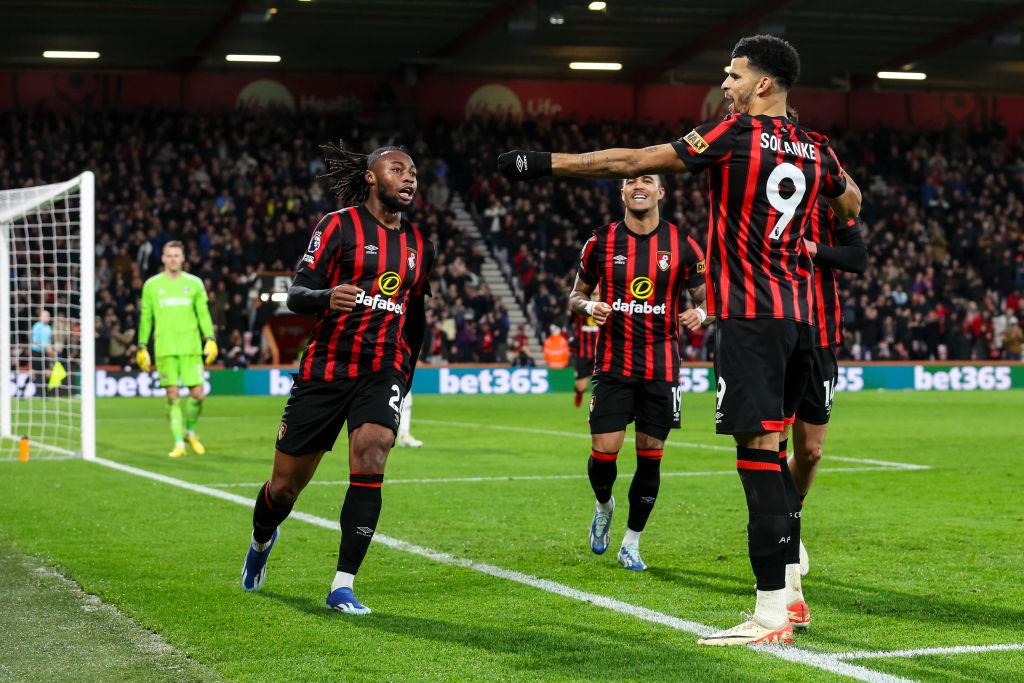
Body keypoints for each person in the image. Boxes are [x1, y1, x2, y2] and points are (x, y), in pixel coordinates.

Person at [499, 34, 862, 645]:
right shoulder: (818, 147)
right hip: (803, 320)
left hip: (751, 319)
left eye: (734, 74)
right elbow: (851, 201)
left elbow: (631, 161)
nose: (725, 84)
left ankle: (769, 613)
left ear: (763, 84)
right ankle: (792, 595)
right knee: (775, 453)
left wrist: (541, 163)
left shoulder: (733, 134)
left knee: (757, 458)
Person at [240, 142, 434, 615]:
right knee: (284, 488)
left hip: (382, 369)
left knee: (374, 450)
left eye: (413, 171)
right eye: (397, 169)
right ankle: (262, 539)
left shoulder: (419, 245)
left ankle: (343, 585)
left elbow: (416, 317)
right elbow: (297, 294)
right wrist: (327, 296)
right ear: (371, 177)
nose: (409, 177)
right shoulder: (338, 225)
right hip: (326, 370)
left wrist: (404, 374)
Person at [570, 174, 707, 572]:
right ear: (623, 192)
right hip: (613, 364)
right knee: (603, 455)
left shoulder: (683, 245)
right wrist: (588, 307)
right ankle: (603, 505)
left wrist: (700, 313)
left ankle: (631, 542)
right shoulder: (600, 242)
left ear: (660, 192)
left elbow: (709, 299)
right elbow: (576, 294)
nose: (638, 186)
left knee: (650, 459)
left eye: (647, 179)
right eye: (631, 181)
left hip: (661, 368)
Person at [782, 200, 867, 579]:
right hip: (771, 332)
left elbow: (858, 258)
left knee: (811, 452)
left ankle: (790, 512)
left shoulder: (829, 194)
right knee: (768, 443)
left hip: (821, 334)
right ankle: (779, 528)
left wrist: (815, 249)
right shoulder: (756, 186)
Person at [136, 241, 218, 458]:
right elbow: (146, 317)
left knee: (198, 394)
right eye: (169, 255)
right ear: (163, 258)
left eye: (176, 255)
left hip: (191, 347)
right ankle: (179, 443)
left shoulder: (194, 283)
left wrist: (210, 338)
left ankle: (189, 432)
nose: (173, 259)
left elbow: (203, 313)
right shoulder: (152, 285)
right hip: (165, 348)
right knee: (172, 395)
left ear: (183, 258)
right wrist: (142, 345)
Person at [568, 291, 600, 407]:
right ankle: (579, 393)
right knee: (582, 387)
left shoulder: (605, 307)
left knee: (602, 383)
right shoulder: (580, 308)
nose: (595, 297)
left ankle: (600, 405)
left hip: (600, 352)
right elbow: (568, 323)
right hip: (583, 352)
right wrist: (571, 337)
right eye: (593, 294)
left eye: (597, 295)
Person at [30, 309, 54, 397]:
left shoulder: (49, 328)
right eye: (45, 316)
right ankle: (23, 390)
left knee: (48, 372)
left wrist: (51, 349)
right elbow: (35, 342)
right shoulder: (37, 326)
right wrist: (46, 346)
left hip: (45, 352)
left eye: (48, 316)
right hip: (36, 351)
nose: (47, 318)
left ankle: (45, 393)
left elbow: (49, 341)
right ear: (40, 317)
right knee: (33, 372)